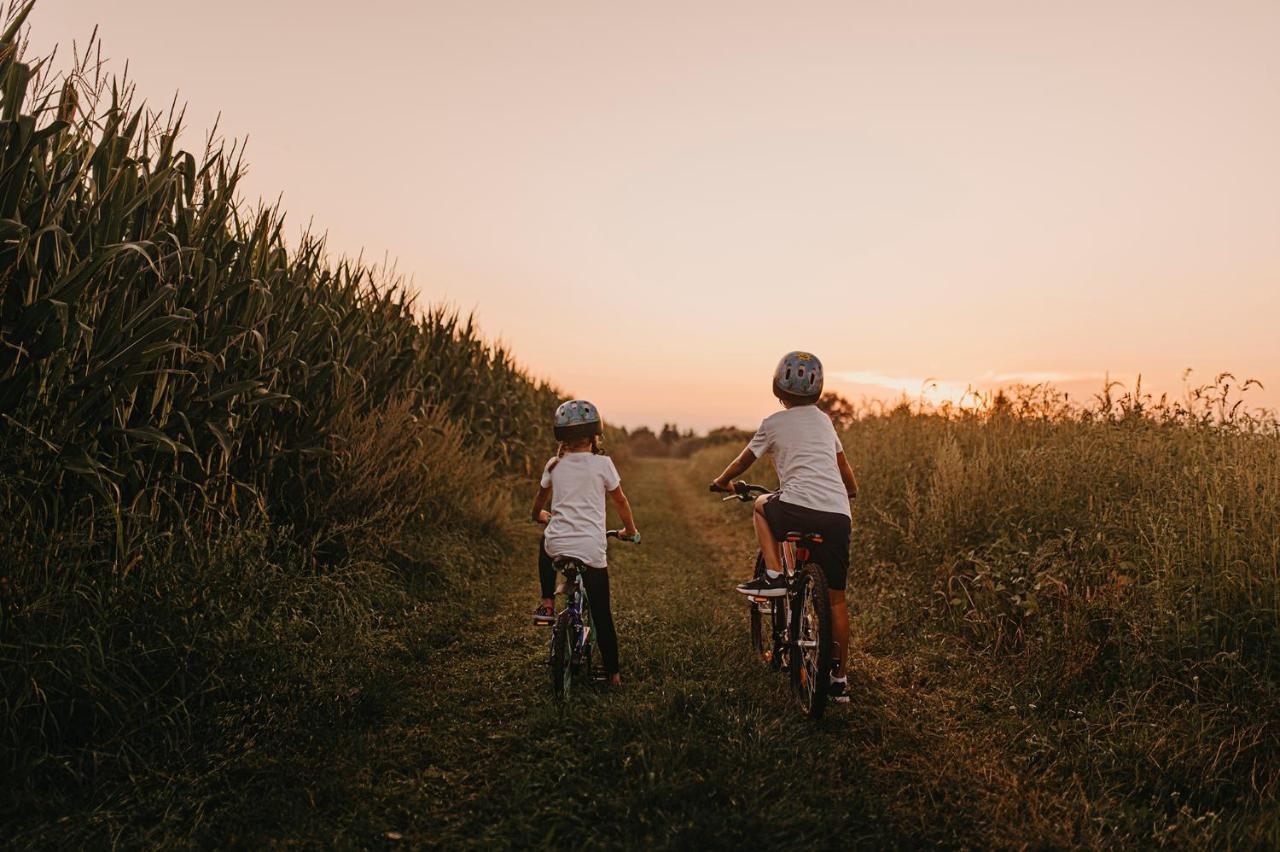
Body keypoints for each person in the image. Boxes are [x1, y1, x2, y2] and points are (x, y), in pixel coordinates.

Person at [710, 352, 858, 701]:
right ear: (818, 391)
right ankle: (839, 679)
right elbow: (844, 468)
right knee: (836, 601)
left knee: (762, 507)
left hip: (794, 507)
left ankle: (775, 575)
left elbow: (744, 460)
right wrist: (850, 492)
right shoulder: (825, 423)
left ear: (778, 388)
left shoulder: (773, 422)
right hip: (837, 516)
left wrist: (721, 480)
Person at [530, 399, 639, 688]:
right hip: (590, 549)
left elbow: (538, 505)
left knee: (546, 539)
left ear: (562, 438)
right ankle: (614, 675)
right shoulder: (603, 464)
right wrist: (630, 530)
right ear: (594, 436)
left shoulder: (553, 465)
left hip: (557, 544)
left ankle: (547, 602)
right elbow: (621, 501)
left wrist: (541, 515)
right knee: (602, 614)